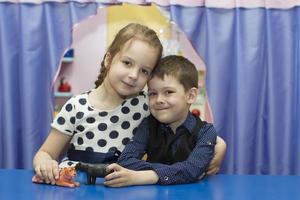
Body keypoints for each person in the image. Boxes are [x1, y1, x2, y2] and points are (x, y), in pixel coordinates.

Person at [33, 23, 226, 185]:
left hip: (125, 190)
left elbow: (197, 132)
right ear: (109, 59)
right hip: (75, 189)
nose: (134, 75)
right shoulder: (76, 106)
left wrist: (221, 146)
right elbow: (45, 152)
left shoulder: (148, 105)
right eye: (127, 63)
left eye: (144, 71)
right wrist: (45, 163)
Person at [104, 55, 221, 187]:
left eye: (168, 92)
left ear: (190, 96)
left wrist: (143, 176)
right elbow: (125, 161)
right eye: (153, 93)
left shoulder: (206, 132)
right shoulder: (148, 125)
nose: (159, 100)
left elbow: (192, 170)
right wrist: (177, 170)